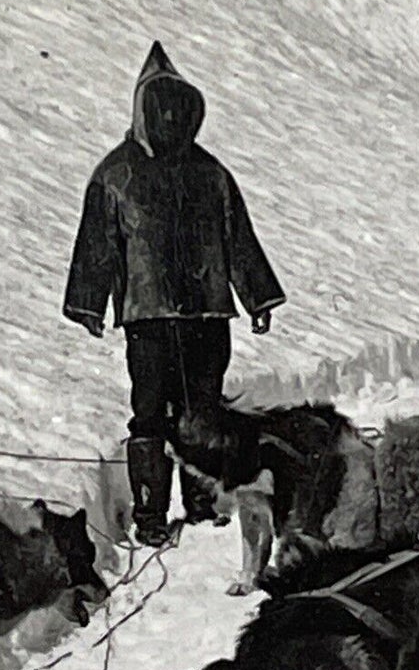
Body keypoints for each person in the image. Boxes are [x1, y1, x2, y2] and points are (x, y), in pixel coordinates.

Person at [64, 42, 286, 546]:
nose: (170, 118)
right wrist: (89, 302)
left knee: (202, 408)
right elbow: (98, 243)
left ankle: (202, 501)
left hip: (207, 313)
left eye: (178, 108)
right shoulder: (115, 174)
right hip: (148, 319)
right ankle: (150, 515)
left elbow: (238, 238)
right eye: (161, 108)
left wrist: (258, 298)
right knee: (150, 414)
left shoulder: (212, 174)